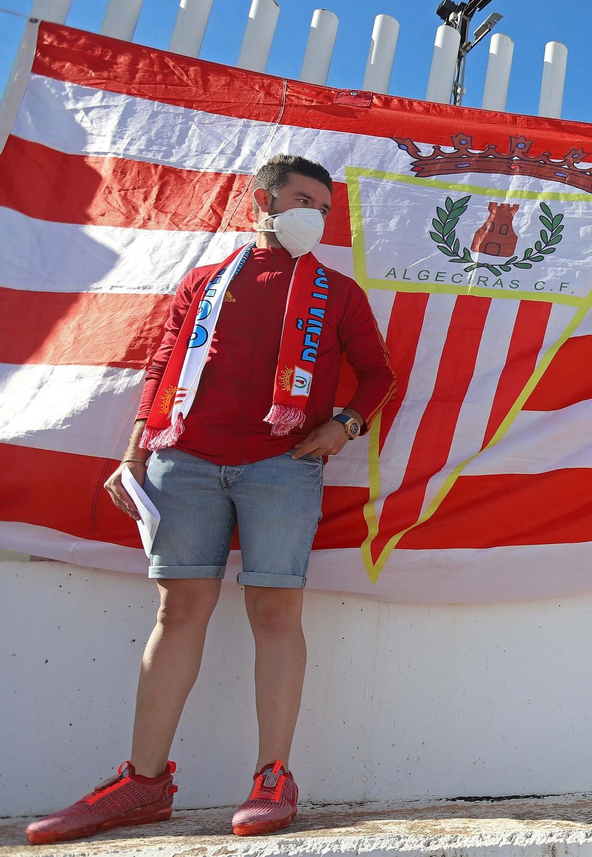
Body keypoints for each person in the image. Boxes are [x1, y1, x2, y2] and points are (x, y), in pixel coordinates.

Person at [26, 155, 397, 845]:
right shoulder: (204, 279)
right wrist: (137, 448)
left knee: (276, 611)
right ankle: (144, 781)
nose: (315, 215)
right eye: (302, 199)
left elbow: (379, 374)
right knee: (179, 607)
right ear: (261, 199)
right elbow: (165, 362)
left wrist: (343, 427)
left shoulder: (337, 292)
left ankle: (273, 775)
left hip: (282, 467)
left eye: (324, 205)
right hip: (184, 461)